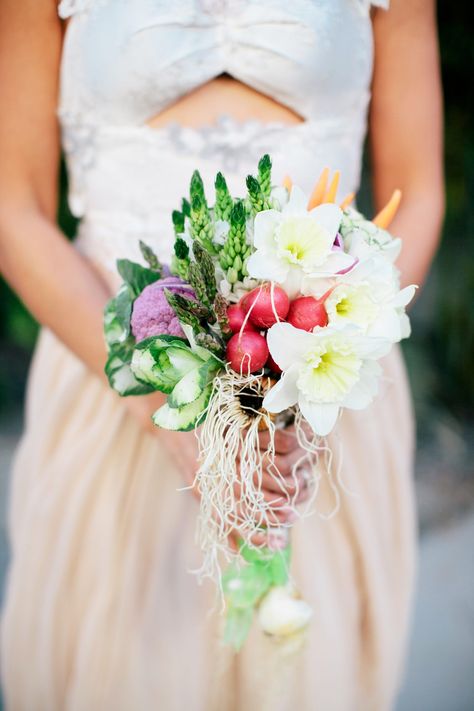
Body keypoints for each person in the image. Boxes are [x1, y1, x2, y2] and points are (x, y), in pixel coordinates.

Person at [0, 1, 444, 709]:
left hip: (320, 404)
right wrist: (164, 410)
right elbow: (12, 206)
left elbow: (415, 191)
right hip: (109, 378)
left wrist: (326, 359)